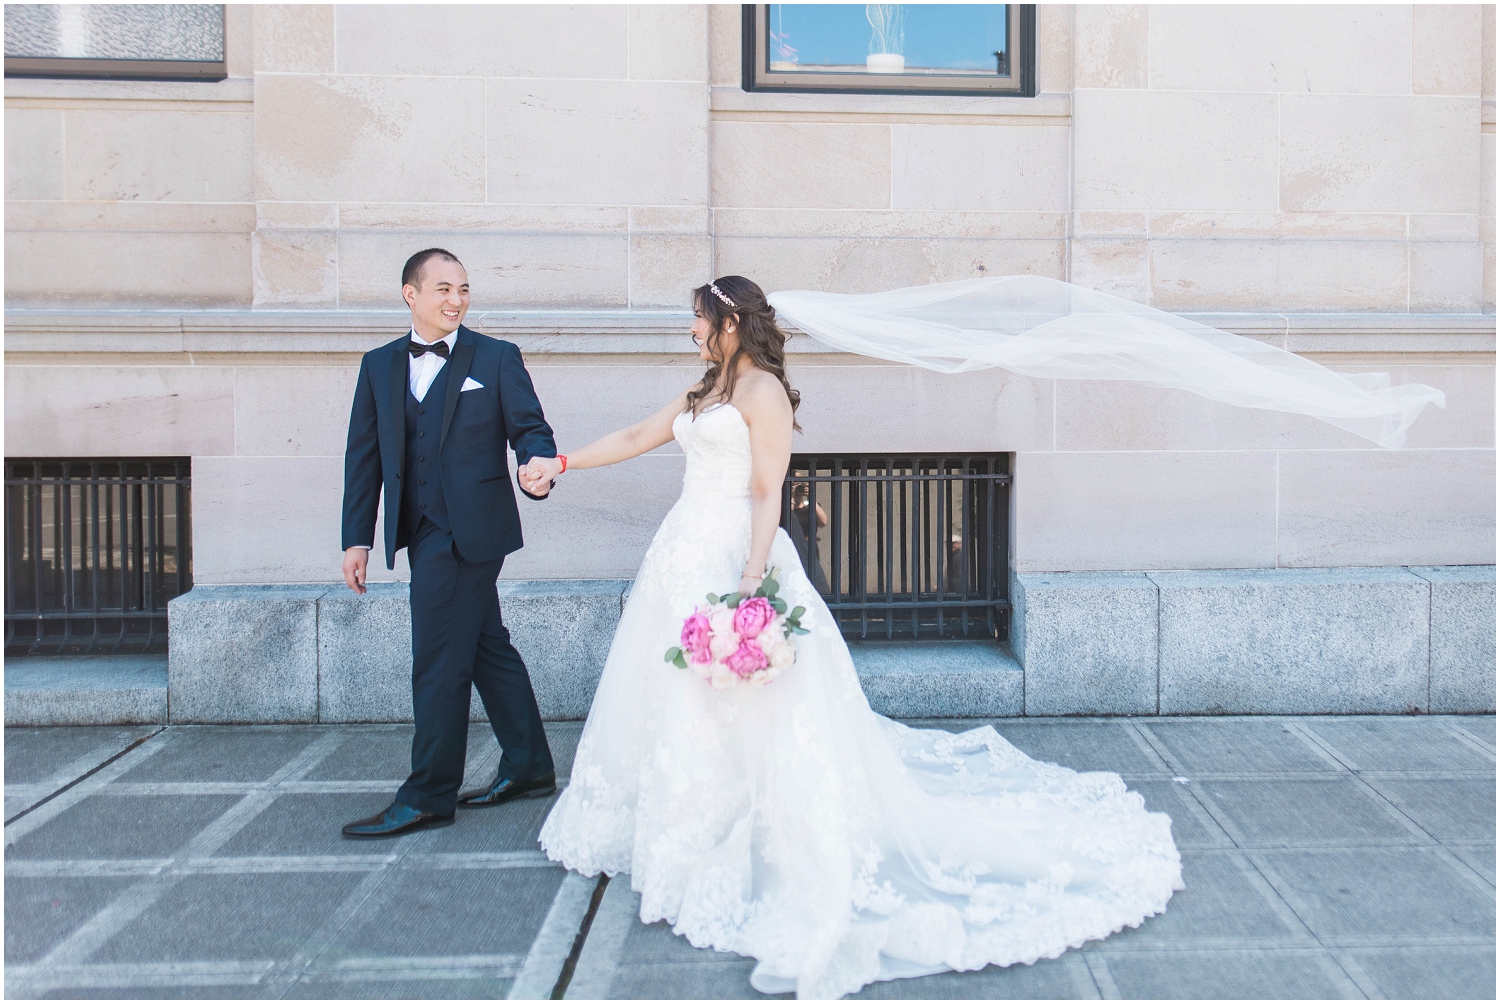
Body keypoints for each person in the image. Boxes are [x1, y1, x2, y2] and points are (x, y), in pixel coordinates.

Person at [525, 276, 1184, 999]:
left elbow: (767, 490)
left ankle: (746, 827)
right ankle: (684, 821)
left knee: (747, 701)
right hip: (679, 554)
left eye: (697, 318)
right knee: (679, 696)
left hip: (733, 559)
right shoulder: (709, 386)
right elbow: (635, 436)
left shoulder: (763, 394)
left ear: (732, 322)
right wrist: (560, 464)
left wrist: (749, 582)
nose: (690, 328)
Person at [338, 248, 558, 839]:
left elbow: (531, 427)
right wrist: (356, 538)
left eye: (463, 289)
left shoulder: (496, 357)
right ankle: (530, 764)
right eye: (442, 289)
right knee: (486, 646)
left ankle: (428, 793)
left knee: (437, 660)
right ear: (410, 293)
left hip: (471, 532)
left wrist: (538, 462)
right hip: (420, 531)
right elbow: (363, 459)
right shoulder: (379, 366)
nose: (456, 300)